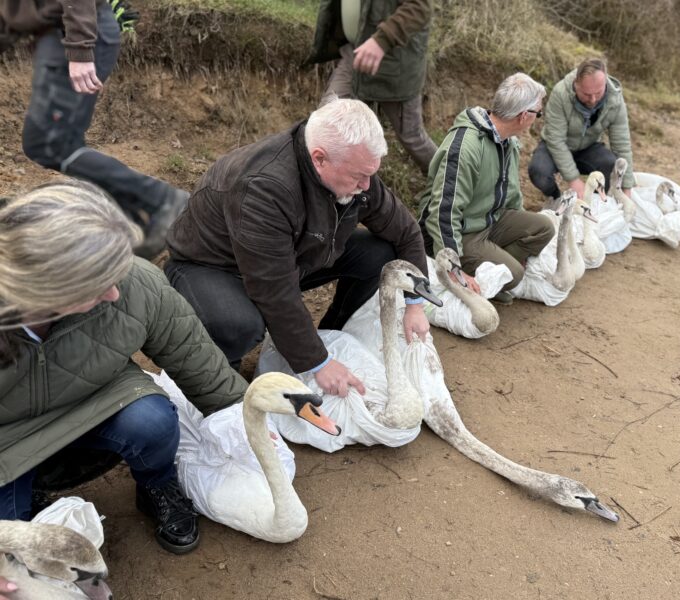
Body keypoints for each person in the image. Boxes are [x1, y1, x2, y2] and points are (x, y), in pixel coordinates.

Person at [0, 181, 248, 554]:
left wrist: (248, 421)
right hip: (7, 442)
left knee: (153, 419)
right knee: (21, 556)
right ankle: (24, 499)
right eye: (101, 282)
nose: (115, 292)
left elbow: (194, 358)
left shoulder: (134, 282)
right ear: (49, 287)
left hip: (93, 398)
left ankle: (157, 484)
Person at [164, 99, 430, 397]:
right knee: (238, 325)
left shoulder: (352, 171)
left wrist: (415, 301)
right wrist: (316, 362)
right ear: (319, 159)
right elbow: (273, 289)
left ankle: (331, 337)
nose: (367, 185)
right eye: (359, 176)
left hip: (294, 255)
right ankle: (221, 390)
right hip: (213, 266)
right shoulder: (264, 188)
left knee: (381, 255)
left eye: (370, 174)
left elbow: (405, 231)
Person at [0, 0, 188, 258]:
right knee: (57, 143)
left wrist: (79, 49)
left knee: (50, 144)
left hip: (73, 35)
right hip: (62, 35)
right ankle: (134, 220)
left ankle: (162, 200)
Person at [417, 73, 555, 305]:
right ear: (524, 116)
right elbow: (444, 211)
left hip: (489, 220)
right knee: (516, 274)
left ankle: (493, 274)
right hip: (463, 231)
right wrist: (451, 266)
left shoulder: (507, 141)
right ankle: (487, 275)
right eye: (538, 113)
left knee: (543, 228)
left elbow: (512, 195)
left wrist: (519, 226)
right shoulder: (466, 147)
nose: (537, 119)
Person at [307, 0, 437, 174]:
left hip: (395, 66)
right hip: (353, 55)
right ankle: (323, 189)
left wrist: (381, 41)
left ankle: (454, 184)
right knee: (326, 122)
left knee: (412, 138)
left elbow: (419, 8)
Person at [528, 57, 635, 201]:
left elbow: (622, 145)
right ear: (576, 84)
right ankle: (557, 199)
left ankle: (597, 203)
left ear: (605, 83)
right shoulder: (561, 93)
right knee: (538, 172)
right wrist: (574, 180)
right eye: (586, 94)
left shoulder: (615, 99)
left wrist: (626, 187)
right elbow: (556, 140)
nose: (592, 100)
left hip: (588, 147)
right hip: (555, 146)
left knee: (611, 166)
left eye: (598, 93)